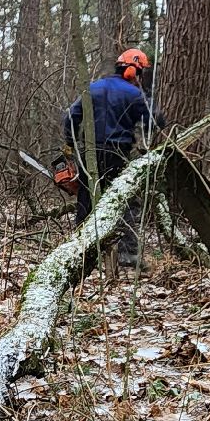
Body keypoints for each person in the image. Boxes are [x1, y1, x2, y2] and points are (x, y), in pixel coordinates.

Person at [63, 48, 164, 268]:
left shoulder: (93, 88)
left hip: (89, 153)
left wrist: (70, 144)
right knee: (126, 201)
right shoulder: (135, 95)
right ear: (132, 71)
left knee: (86, 202)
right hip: (118, 154)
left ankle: (81, 254)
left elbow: (71, 116)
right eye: (140, 74)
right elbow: (155, 121)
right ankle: (127, 254)